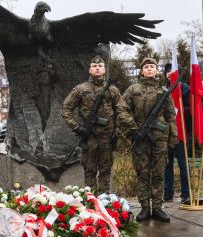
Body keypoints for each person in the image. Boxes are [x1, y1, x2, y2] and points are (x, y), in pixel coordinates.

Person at [117, 58, 178, 222]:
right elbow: (121, 109)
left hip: (160, 139)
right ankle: (145, 208)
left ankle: (157, 208)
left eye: (152, 66)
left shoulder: (164, 90)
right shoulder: (132, 89)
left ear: (156, 71)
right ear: (141, 71)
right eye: (146, 67)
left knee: (158, 174)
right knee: (142, 173)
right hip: (140, 138)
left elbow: (171, 116)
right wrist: (133, 129)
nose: (150, 69)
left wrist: (174, 137)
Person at [62, 55, 121, 193]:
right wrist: (77, 128)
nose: (97, 68)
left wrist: (117, 132)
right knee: (89, 171)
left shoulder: (113, 90)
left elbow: (121, 112)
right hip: (89, 139)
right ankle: (91, 203)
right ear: (89, 70)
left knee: (105, 171)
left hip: (107, 138)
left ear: (104, 70)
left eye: (100, 66)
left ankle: (104, 202)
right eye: (94, 66)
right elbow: (66, 109)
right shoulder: (80, 89)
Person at [162, 63, 191, 204]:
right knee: (167, 165)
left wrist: (178, 110)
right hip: (166, 134)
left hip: (182, 133)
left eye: (172, 71)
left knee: (183, 165)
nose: (169, 73)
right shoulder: (163, 90)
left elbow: (192, 109)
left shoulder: (186, 89)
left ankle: (186, 194)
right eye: (167, 71)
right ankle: (168, 193)